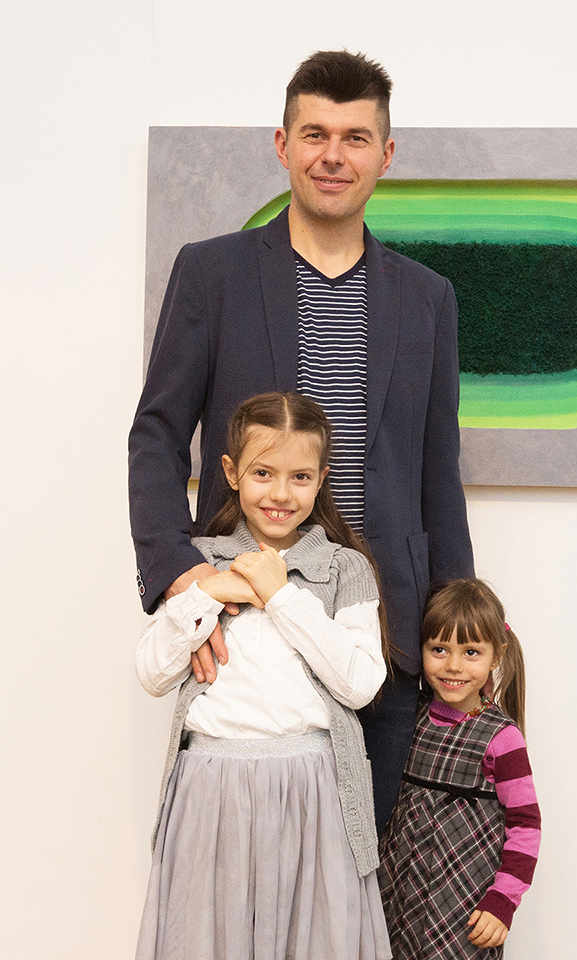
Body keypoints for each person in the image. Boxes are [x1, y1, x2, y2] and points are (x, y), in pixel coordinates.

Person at [128, 49, 474, 830]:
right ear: (282, 145)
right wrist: (179, 574)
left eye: (355, 138)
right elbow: (156, 435)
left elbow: (437, 472)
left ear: (385, 154)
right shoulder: (211, 274)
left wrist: (458, 623)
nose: (332, 155)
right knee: (242, 880)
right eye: (315, 134)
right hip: (244, 635)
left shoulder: (427, 298)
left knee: (365, 880)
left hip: (380, 640)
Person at [135, 392, 392, 960]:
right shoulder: (201, 562)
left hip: (314, 790)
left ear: (321, 479)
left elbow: (360, 683)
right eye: (263, 473)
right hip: (211, 790)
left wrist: (281, 596)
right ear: (231, 473)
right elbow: (152, 673)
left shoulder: (344, 567)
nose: (280, 493)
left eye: (300, 477)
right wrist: (207, 592)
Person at [378, 579, 541, 959]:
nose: (453, 665)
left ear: (496, 656)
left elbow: (526, 825)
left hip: (462, 905)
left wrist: (503, 900)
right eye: (439, 649)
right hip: (396, 893)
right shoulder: (408, 717)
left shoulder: (502, 739)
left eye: (471, 652)